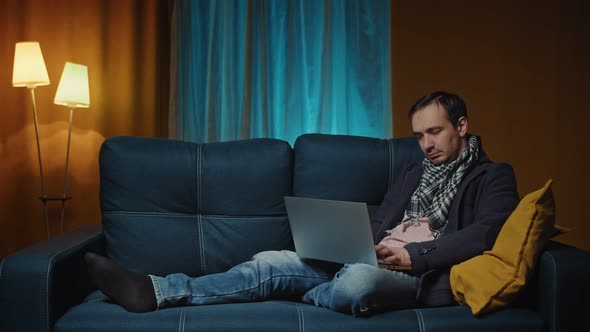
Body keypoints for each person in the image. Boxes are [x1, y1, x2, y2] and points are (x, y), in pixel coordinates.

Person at [85, 91, 519, 316]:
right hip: (371, 258)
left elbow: (484, 234)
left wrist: (413, 255)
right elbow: (385, 221)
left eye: (436, 132)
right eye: (419, 135)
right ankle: (158, 290)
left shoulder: (493, 176)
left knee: (356, 286)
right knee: (270, 260)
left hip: (416, 276)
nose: (425, 144)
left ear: (461, 125)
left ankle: (311, 292)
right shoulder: (413, 172)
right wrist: (351, 243)